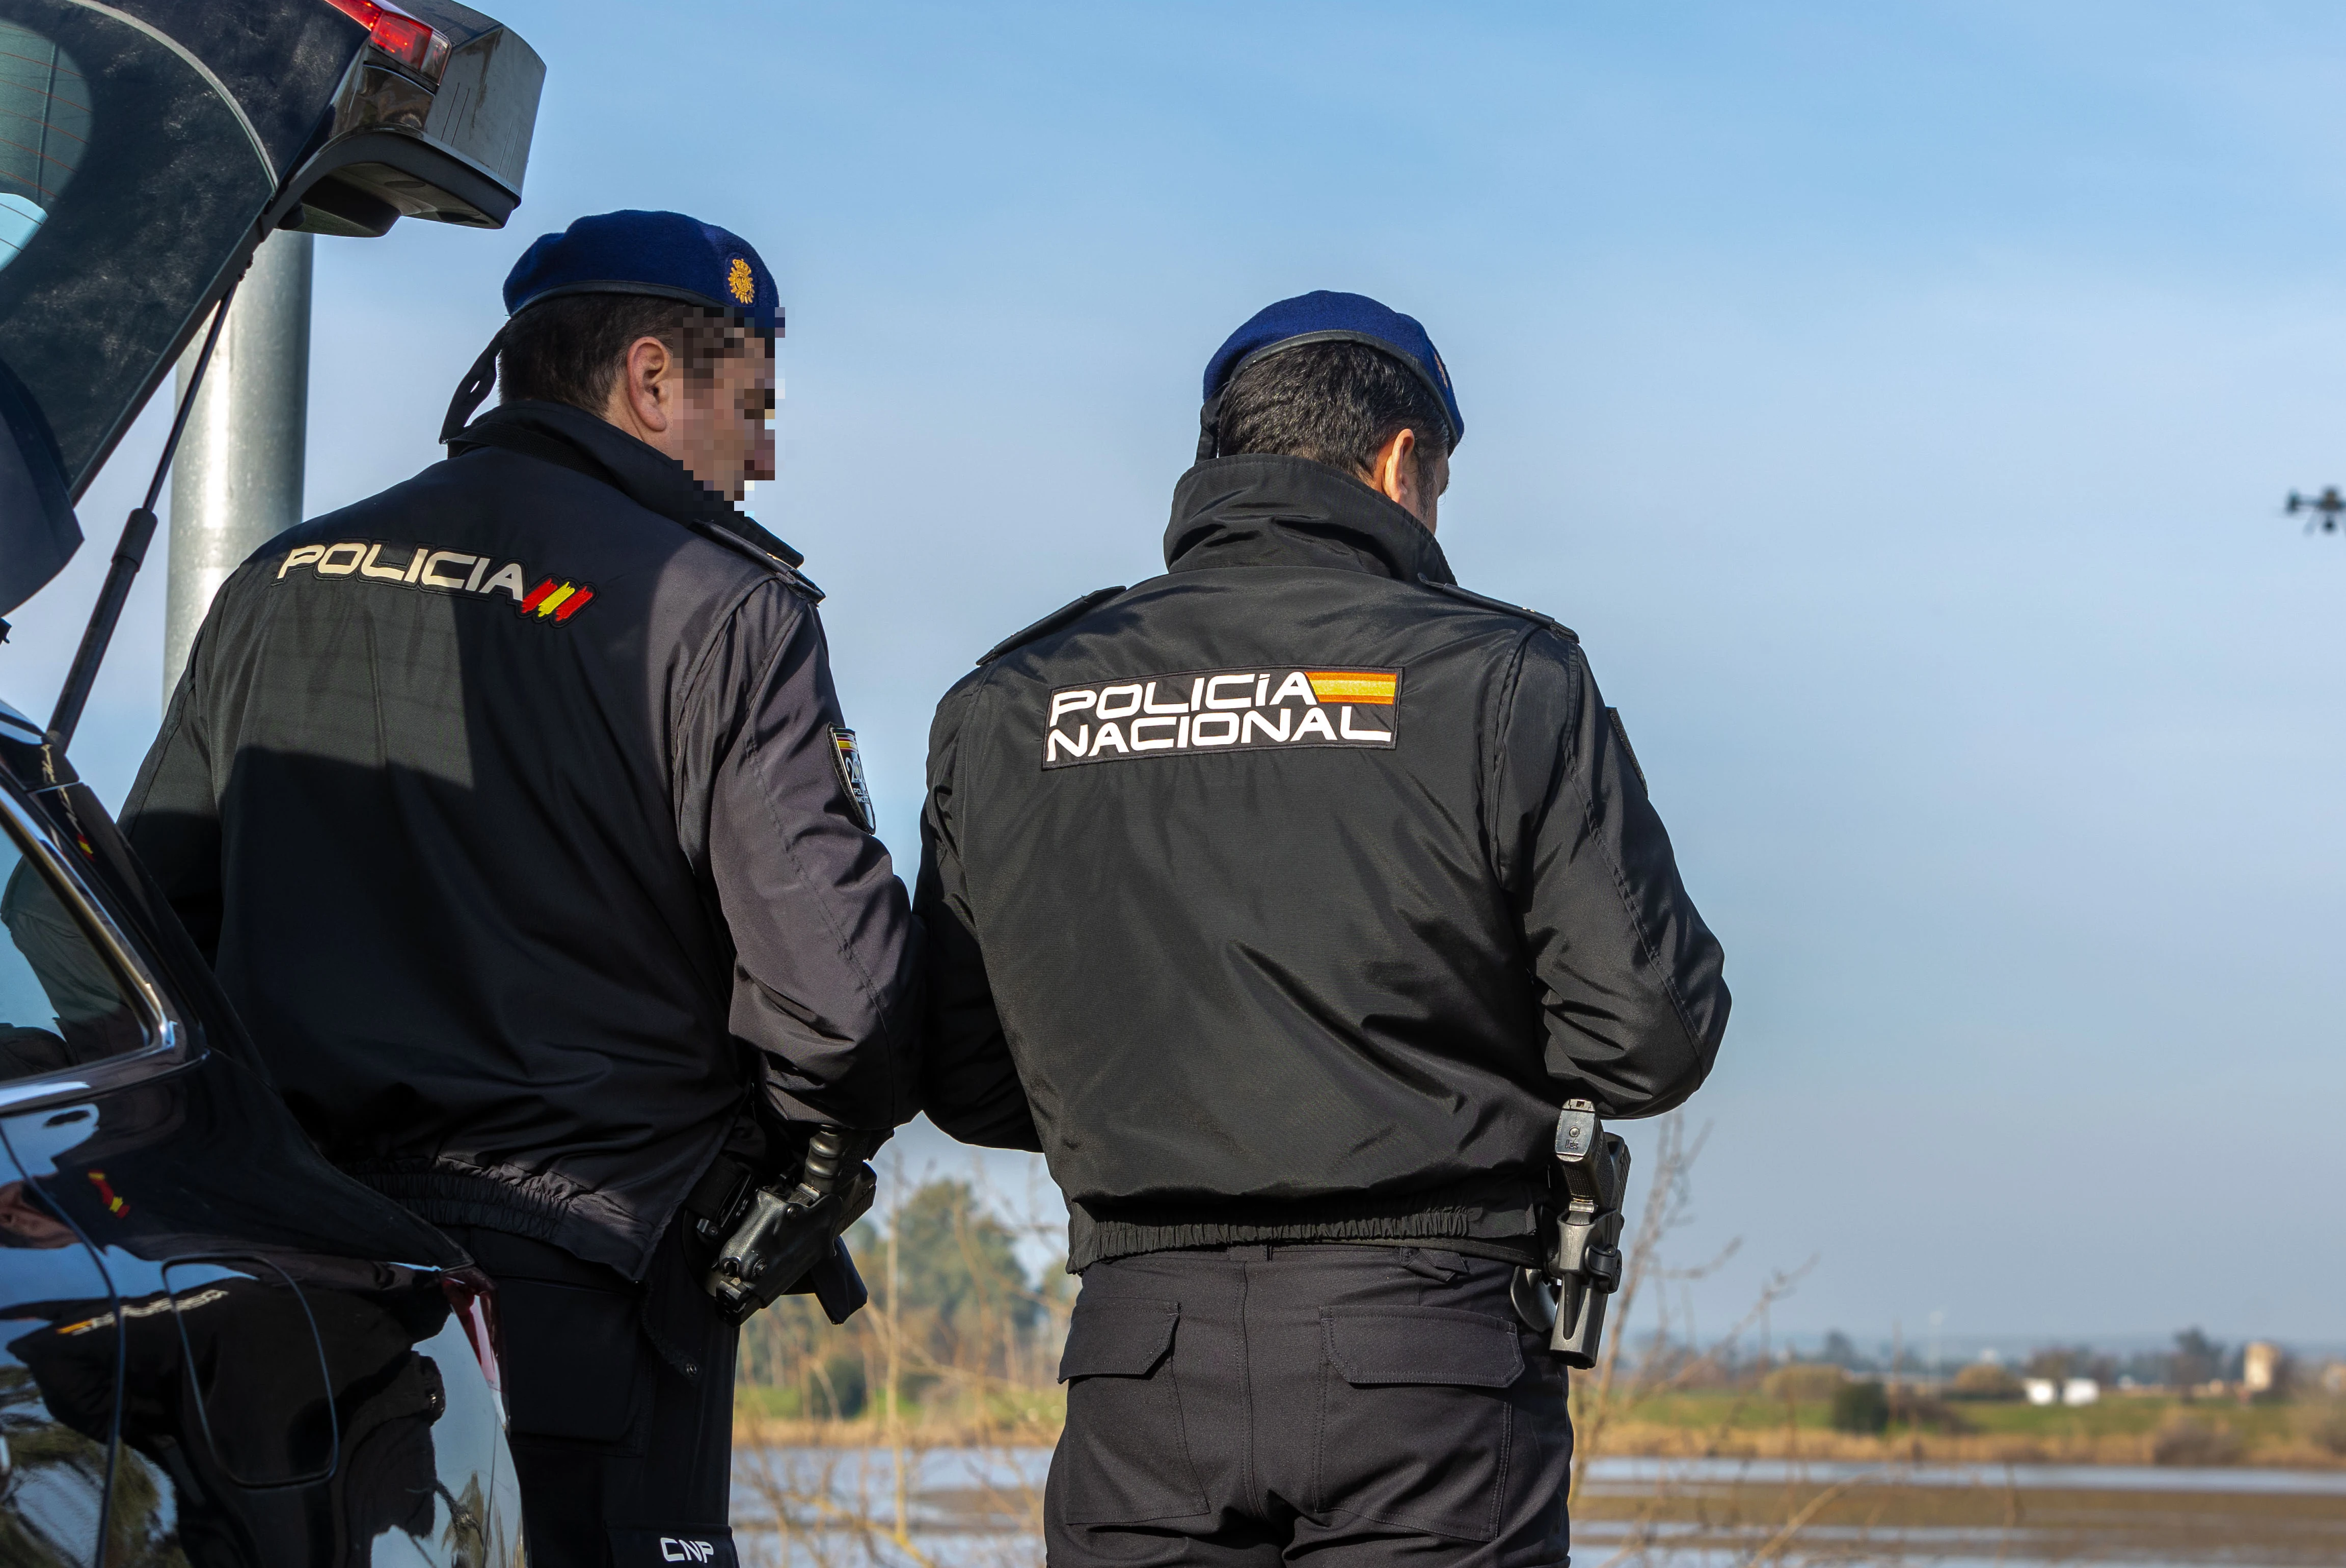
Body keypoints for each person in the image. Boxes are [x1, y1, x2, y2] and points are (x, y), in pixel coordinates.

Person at [119, 210, 918, 1564]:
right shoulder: (722, 607)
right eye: (755, 406)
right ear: (652, 379)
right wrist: (793, 1159)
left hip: (289, 1295)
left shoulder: (278, 579)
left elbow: (145, 932)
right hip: (581, 1295)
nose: (767, 456)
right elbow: (843, 1003)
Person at [920, 290, 1731, 1564]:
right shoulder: (1501, 678)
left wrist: (1173, 1093)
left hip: (1140, 1365)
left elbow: (966, 1072)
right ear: (1404, 460)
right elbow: (1651, 1041)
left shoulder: (1009, 702)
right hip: (1429, 1363)